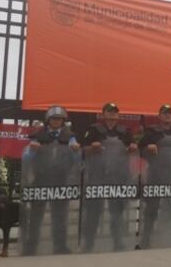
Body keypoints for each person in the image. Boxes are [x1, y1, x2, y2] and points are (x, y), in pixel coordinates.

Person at [22, 106, 81, 255]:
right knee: (36, 216)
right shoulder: (37, 135)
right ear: (48, 120)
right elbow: (26, 158)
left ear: (63, 121)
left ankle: (60, 246)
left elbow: (77, 159)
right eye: (54, 118)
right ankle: (31, 247)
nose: (56, 121)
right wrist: (32, 150)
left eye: (59, 119)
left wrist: (76, 151)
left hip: (61, 179)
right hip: (41, 178)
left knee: (60, 215)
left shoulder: (70, 136)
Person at [81, 103, 138, 252]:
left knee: (117, 212)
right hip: (97, 176)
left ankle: (118, 242)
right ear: (103, 113)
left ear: (118, 115)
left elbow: (133, 147)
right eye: (109, 111)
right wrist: (91, 148)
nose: (112, 114)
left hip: (118, 177)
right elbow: (83, 149)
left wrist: (133, 147)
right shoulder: (93, 129)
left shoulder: (125, 131)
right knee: (93, 212)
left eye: (115, 112)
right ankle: (88, 244)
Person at [138, 104, 171, 248]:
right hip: (156, 174)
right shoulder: (151, 133)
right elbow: (139, 148)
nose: (167, 115)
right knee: (152, 209)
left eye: (169, 113)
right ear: (159, 116)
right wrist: (147, 147)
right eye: (164, 113)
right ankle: (146, 239)